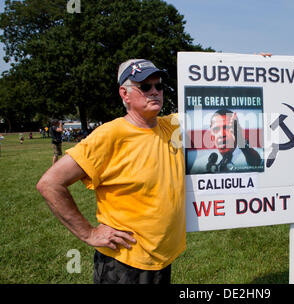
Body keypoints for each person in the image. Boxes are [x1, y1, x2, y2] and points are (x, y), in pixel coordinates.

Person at [36, 59, 185, 284]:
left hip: (162, 257)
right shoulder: (109, 135)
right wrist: (88, 233)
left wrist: (255, 69)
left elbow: (220, 107)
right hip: (124, 262)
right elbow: (50, 183)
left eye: (159, 86)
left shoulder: (171, 126)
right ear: (124, 94)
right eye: (145, 87)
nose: (155, 92)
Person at [204, 109, 263, 173]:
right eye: (216, 129)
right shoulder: (203, 162)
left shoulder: (253, 155)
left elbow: (257, 164)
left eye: (227, 128)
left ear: (237, 131)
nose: (221, 134)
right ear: (212, 135)